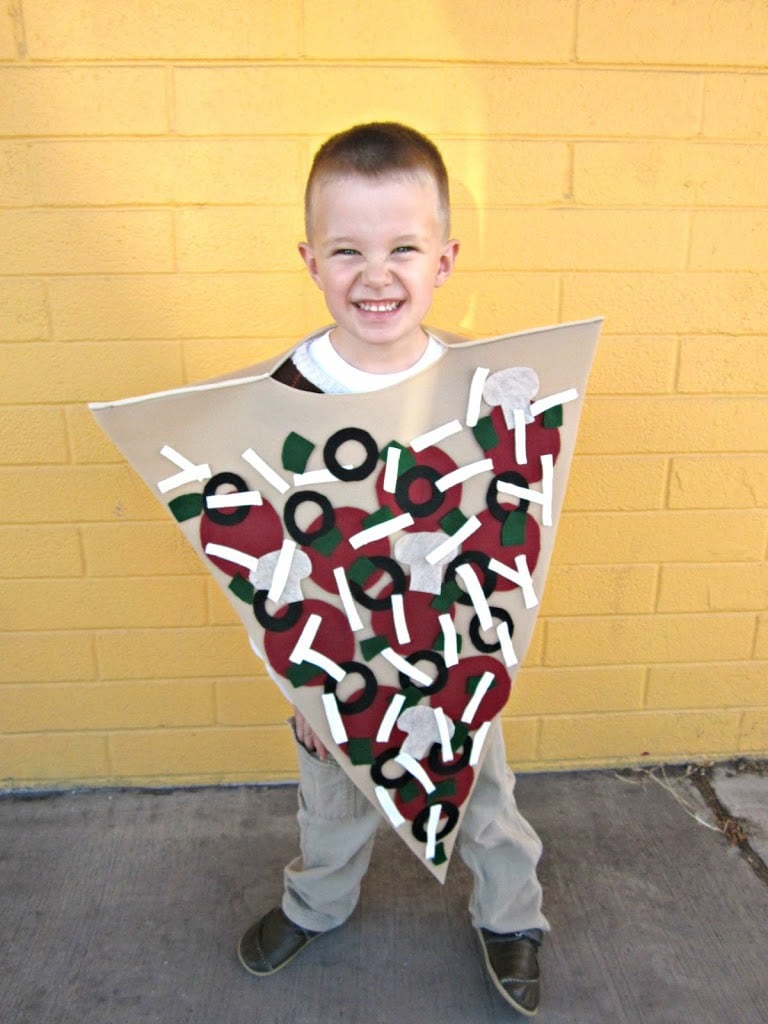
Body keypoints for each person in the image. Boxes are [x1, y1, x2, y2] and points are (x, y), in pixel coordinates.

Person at [237, 122, 548, 1017]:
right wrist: (303, 689)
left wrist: (485, 647)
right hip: (337, 656)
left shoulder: (482, 387)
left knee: (483, 791)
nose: (376, 275)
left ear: (444, 260)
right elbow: (265, 561)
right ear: (311, 261)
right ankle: (317, 904)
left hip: (452, 646)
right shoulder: (278, 396)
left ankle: (512, 916)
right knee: (331, 799)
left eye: (403, 248)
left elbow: (508, 520)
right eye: (348, 251)